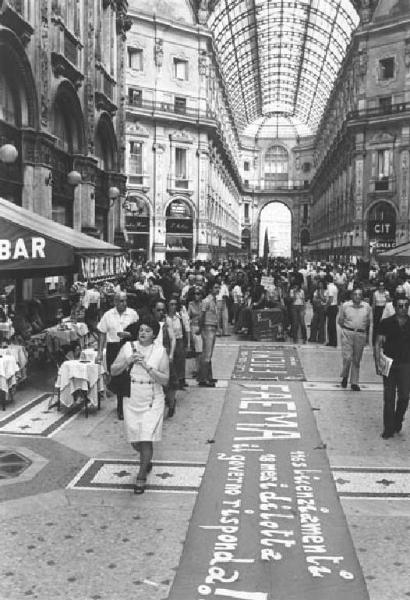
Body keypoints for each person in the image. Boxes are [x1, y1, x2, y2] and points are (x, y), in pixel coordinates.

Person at [111, 315, 169, 494]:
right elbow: (113, 370)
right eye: (141, 330)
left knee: (146, 439)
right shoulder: (128, 347)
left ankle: (141, 475)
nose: (143, 333)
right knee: (135, 440)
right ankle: (146, 459)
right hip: (132, 398)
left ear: (154, 335)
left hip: (153, 399)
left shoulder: (160, 351)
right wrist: (128, 361)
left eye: (147, 331)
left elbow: (165, 380)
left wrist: (147, 367)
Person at [96, 291, 139, 420]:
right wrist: (99, 352)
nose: (124, 303)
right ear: (115, 302)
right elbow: (102, 333)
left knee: (127, 376)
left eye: (125, 300)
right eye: (121, 301)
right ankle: (121, 405)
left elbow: (139, 332)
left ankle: (125, 406)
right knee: (117, 376)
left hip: (128, 346)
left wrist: (129, 335)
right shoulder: (108, 315)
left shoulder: (133, 314)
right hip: (113, 347)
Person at [375, 294, 410, 439]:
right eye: (400, 306)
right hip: (389, 363)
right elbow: (378, 343)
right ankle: (388, 428)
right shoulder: (386, 323)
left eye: (406, 306)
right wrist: (378, 362)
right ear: (394, 307)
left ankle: (398, 419)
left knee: (404, 397)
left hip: (406, 365)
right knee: (389, 398)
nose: (403, 308)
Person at [338, 288, 372, 391]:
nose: (357, 296)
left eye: (359, 294)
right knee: (347, 358)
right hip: (348, 332)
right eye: (355, 294)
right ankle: (345, 376)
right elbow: (340, 320)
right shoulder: (345, 306)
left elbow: (369, 322)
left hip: (360, 334)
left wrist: (368, 339)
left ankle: (354, 382)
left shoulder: (367, 307)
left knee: (356, 360)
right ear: (351, 296)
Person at [198, 281, 219, 387]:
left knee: (209, 353)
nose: (217, 289)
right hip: (207, 327)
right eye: (215, 287)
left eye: (218, 287)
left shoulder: (214, 300)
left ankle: (208, 376)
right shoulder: (206, 301)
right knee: (207, 353)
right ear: (210, 289)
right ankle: (204, 378)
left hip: (212, 327)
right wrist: (200, 327)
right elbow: (201, 316)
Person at [289, 280, 307, 344]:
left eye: (296, 286)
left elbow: (303, 300)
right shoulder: (291, 291)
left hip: (301, 307)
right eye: (294, 286)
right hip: (294, 307)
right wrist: (294, 292)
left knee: (302, 323)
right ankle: (295, 338)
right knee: (295, 323)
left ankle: (304, 337)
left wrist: (305, 308)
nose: (295, 287)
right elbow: (292, 300)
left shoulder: (302, 291)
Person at [325, 274, 338, 347]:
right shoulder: (335, 286)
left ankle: (331, 341)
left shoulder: (329, 287)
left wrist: (326, 307)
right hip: (335, 306)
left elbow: (330, 299)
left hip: (331, 307)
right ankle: (334, 341)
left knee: (330, 325)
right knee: (332, 325)